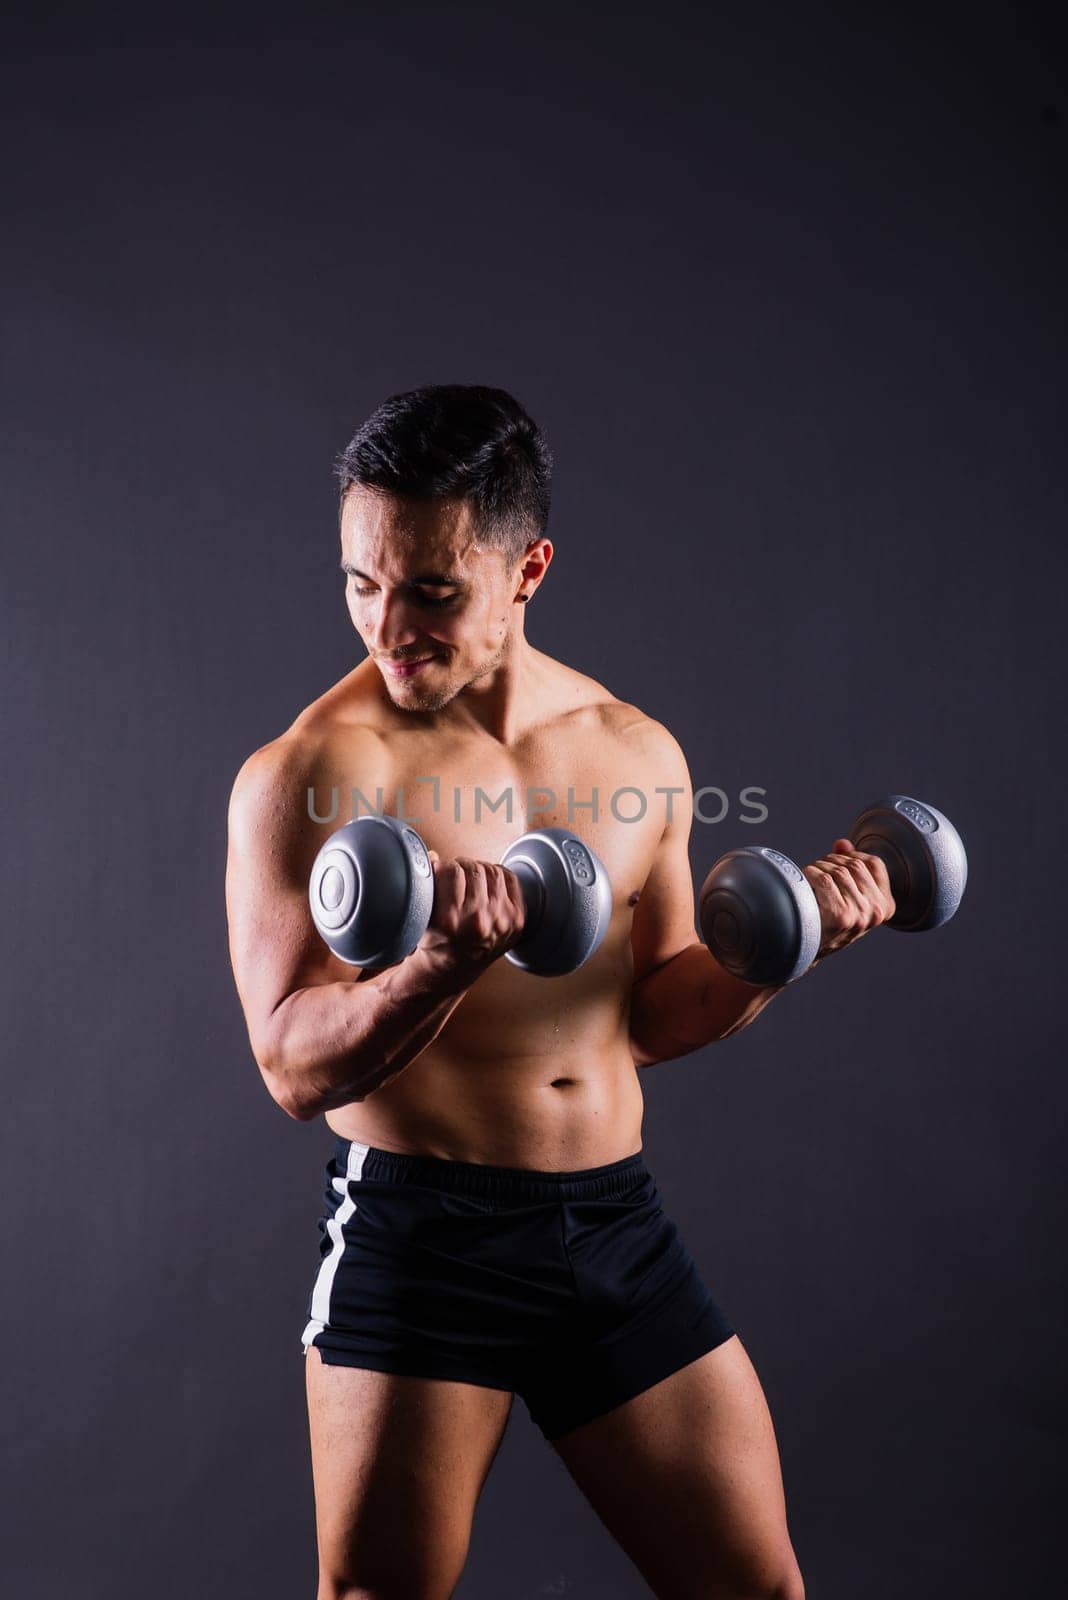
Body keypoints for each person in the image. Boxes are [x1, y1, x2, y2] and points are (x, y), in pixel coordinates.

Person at [225, 384, 893, 1600]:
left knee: (757, 1589)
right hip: (422, 1235)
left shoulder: (634, 752)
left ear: (527, 567)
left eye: (432, 591)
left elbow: (652, 1013)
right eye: (360, 584)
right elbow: (288, 1064)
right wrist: (438, 964)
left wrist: (782, 948)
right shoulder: (310, 775)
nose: (389, 628)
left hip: (612, 1224)